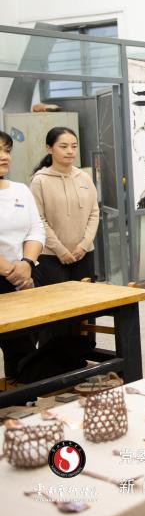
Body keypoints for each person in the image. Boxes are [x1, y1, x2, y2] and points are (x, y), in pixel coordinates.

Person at [0, 130, 44, 381]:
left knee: (24, 343)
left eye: (7, 150)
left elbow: (36, 229)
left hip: (25, 275)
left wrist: (26, 264)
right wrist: (12, 271)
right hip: (10, 276)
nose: (4, 156)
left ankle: (22, 396)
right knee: (16, 343)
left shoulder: (20, 190)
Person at [29, 128, 99, 286]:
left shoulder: (84, 177)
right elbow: (38, 220)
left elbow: (94, 213)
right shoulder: (39, 181)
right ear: (49, 149)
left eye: (74, 146)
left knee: (86, 298)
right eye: (63, 146)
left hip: (84, 253)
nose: (70, 151)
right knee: (58, 299)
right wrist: (60, 250)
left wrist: (84, 246)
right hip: (51, 256)